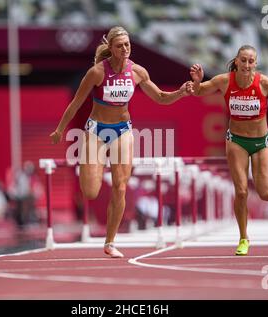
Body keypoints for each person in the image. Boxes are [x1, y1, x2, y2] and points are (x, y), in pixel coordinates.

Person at [50, 26, 191, 258]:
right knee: (91, 191)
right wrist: (59, 130)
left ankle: (110, 241)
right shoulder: (96, 72)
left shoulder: (137, 72)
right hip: (96, 131)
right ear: (112, 49)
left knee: (120, 186)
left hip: (122, 131)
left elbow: (161, 98)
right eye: (120, 46)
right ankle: (94, 165)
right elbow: (76, 103)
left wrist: (181, 92)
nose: (125, 49)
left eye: (127, 44)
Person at [188, 45, 268, 256]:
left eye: (251, 61)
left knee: (266, 194)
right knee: (241, 191)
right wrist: (197, 81)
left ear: (255, 63)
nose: (247, 65)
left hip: (261, 142)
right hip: (236, 141)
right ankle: (243, 237)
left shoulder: (264, 83)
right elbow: (199, 91)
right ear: (236, 61)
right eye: (243, 60)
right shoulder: (225, 80)